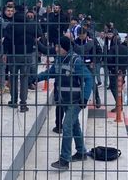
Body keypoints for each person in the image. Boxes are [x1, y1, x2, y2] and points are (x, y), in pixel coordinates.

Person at [35, 36, 93, 170]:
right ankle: (81, 152)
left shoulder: (76, 61)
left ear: (65, 48)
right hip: (64, 99)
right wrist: (35, 78)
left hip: (75, 101)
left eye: (59, 47)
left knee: (67, 127)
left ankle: (64, 159)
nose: (56, 49)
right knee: (75, 126)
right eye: (56, 46)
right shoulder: (59, 60)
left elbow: (89, 79)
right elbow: (50, 73)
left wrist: (84, 98)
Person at [2, 9, 41, 112]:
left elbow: (6, 40)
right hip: (26, 54)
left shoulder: (11, 26)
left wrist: (5, 53)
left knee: (13, 78)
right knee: (24, 79)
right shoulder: (30, 25)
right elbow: (38, 35)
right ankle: (23, 103)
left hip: (13, 54)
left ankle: (13, 101)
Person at [73, 27, 102, 108]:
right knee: (79, 81)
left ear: (86, 34)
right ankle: (82, 98)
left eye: (83, 35)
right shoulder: (76, 42)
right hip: (79, 64)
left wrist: (94, 61)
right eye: (80, 35)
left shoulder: (92, 40)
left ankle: (97, 97)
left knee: (92, 82)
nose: (81, 37)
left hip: (90, 64)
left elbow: (99, 51)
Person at [0, 2, 15, 94]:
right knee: (2, 67)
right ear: (4, 11)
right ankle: (2, 87)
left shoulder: (15, 20)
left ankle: (10, 84)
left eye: (11, 11)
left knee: (13, 67)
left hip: (13, 46)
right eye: (8, 11)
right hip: (1, 46)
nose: (9, 12)